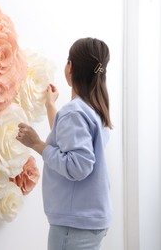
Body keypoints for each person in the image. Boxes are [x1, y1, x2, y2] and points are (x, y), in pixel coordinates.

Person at [16, 37, 113, 250]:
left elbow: (78, 166)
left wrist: (37, 144)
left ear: (70, 67)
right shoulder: (95, 110)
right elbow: (66, 140)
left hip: (74, 224)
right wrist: (50, 105)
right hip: (89, 220)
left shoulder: (75, 113)